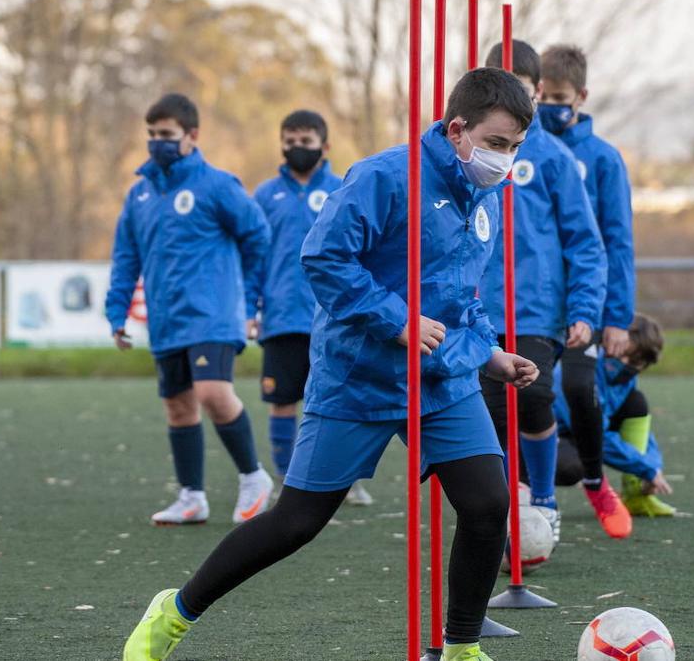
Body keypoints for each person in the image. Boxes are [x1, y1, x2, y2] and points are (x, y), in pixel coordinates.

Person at [122, 68, 541, 661]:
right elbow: (322, 258)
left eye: (515, 148)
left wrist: (490, 354)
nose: (504, 159)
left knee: (487, 504)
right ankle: (176, 610)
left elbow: (462, 296)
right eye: (497, 144)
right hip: (359, 376)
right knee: (297, 522)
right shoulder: (384, 177)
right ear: (457, 130)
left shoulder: (485, 197)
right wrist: (396, 322)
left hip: (442, 379)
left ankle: (462, 647)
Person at [478, 40, 629, 541]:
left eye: (518, 91)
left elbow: (591, 242)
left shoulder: (555, 157)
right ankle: (504, 507)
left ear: (537, 92)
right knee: (492, 411)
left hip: (537, 309)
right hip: (478, 307)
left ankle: (545, 498)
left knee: (538, 396)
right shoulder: (470, 152)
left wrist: (591, 310)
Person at [105, 93, 274, 527]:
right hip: (166, 319)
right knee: (179, 407)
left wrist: (251, 296)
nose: (157, 142)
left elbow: (258, 236)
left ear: (191, 136)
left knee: (212, 394)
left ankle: (254, 478)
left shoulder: (217, 185)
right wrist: (116, 313)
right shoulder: (139, 195)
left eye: (166, 134)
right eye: (152, 135)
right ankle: (191, 496)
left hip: (213, 315)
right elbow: (127, 258)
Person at [246, 110, 372, 505]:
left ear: (325, 145)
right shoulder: (265, 196)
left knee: (338, 400)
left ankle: (346, 479)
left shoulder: (343, 187)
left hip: (336, 318)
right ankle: (286, 479)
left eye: (306, 141)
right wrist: (250, 308)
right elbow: (254, 258)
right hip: (282, 317)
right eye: (290, 140)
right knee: (282, 401)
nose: (297, 148)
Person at [553, 314, 675, 517]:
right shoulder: (582, 371)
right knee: (572, 467)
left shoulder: (626, 378)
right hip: (556, 432)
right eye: (622, 352)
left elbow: (642, 431)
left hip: (586, 430)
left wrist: (653, 466)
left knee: (636, 403)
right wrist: (645, 468)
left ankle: (635, 494)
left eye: (635, 360)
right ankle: (529, 495)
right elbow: (595, 435)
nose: (625, 362)